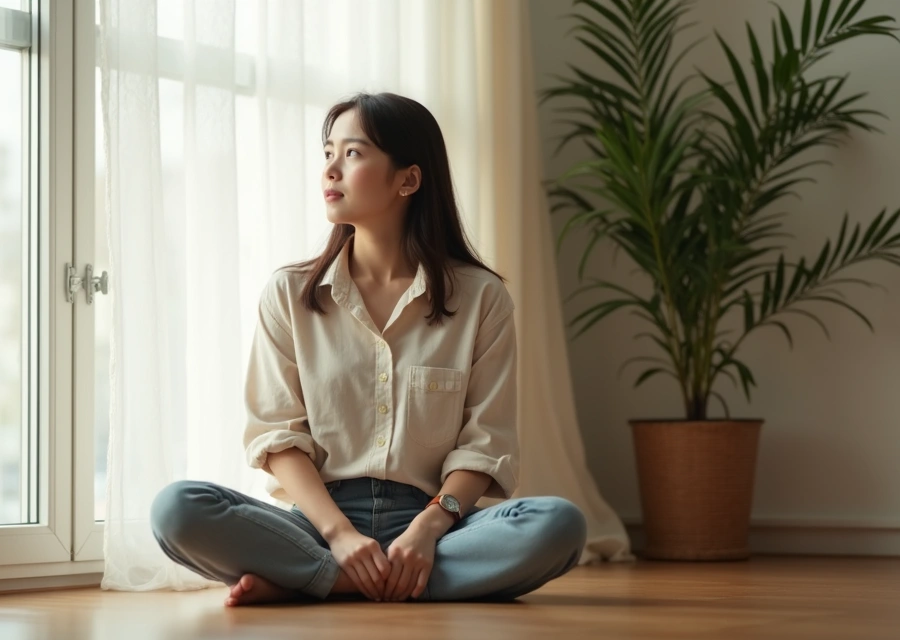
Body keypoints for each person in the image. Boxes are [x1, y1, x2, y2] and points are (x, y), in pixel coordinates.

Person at [150, 92, 586, 607]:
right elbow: (278, 435)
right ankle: (355, 576)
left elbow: (486, 443)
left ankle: (311, 581)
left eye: (352, 154)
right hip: (316, 520)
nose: (331, 170)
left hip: (435, 525)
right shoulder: (290, 294)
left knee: (559, 524)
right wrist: (338, 535)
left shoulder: (481, 298)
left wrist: (428, 530)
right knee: (177, 510)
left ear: (408, 179)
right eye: (328, 153)